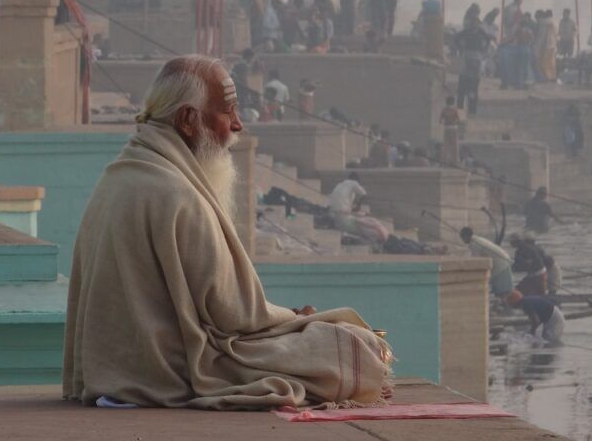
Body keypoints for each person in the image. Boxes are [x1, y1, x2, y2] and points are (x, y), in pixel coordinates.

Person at [63, 55, 394, 409]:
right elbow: (236, 314)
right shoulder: (177, 195)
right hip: (168, 369)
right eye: (228, 112)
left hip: (115, 369)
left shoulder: (120, 175)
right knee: (350, 343)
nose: (238, 125)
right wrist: (296, 318)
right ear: (189, 120)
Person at [460, 226, 513, 298]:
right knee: (501, 289)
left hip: (500, 264)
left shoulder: (475, 244)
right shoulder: (478, 240)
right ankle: (503, 304)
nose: (462, 240)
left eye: (462, 238)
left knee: (502, 291)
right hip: (503, 261)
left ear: (466, 236)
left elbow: (475, 261)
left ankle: (504, 305)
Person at [456, 4, 490, 115]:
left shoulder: (480, 32)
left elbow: (488, 40)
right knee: (463, 87)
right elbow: (456, 38)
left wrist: (484, 49)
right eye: (473, 22)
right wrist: (460, 48)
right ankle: (461, 109)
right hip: (467, 57)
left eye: (477, 22)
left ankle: (472, 110)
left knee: (473, 86)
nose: (475, 25)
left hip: (476, 58)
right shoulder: (466, 32)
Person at [534, 10, 557, 82]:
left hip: (546, 46)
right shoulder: (554, 22)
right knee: (551, 63)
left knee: (543, 64)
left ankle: (548, 78)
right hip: (553, 45)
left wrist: (537, 48)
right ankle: (553, 77)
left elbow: (541, 37)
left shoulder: (543, 24)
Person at [439, 95, 461, 164]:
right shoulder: (454, 110)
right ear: (453, 102)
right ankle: (455, 160)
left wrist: (446, 121)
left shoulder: (444, 110)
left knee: (446, 145)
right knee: (454, 145)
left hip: (446, 128)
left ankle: (445, 160)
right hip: (454, 128)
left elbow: (440, 121)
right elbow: (458, 120)